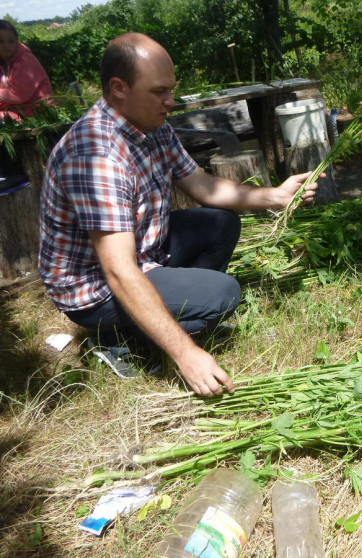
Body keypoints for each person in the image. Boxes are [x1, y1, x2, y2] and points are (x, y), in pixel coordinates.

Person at [38, 32, 318, 396]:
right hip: (96, 289)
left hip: (142, 252)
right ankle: (116, 342)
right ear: (119, 88)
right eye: (159, 92)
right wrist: (185, 354)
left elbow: (203, 186)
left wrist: (276, 196)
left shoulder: (152, 127)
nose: (170, 101)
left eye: (171, 89)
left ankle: (178, 313)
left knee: (220, 222)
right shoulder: (97, 157)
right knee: (223, 295)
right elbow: (118, 271)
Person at [0, 20, 54, 192]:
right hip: (16, 112)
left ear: (17, 40)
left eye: (11, 41)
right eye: (0, 42)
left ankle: (11, 175)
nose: (6, 46)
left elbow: (19, 94)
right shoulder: (3, 64)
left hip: (37, 113)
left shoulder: (26, 60)